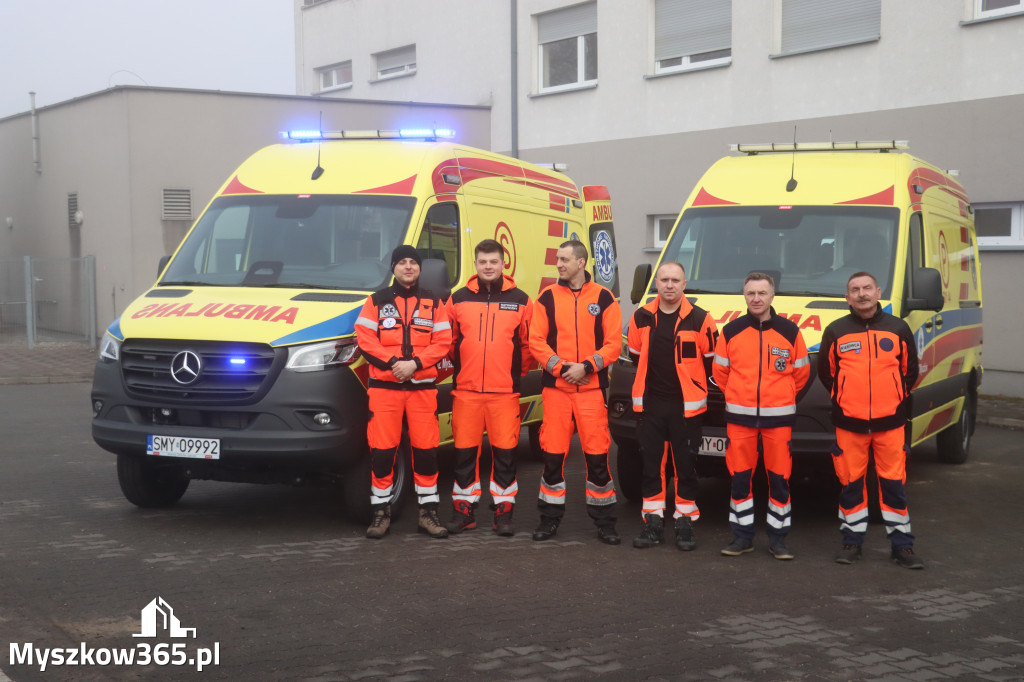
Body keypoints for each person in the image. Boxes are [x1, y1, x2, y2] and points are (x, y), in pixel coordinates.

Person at [818, 271, 923, 569]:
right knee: (851, 485)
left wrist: (890, 399)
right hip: (849, 424)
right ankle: (852, 543)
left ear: (878, 292)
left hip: (890, 424)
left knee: (893, 486)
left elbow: (909, 372)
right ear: (847, 296)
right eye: (855, 289)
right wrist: (846, 397)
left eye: (867, 288)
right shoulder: (835, 331)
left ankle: (902, 547)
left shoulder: (898, 328)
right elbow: (827, 374)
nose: (862, 294)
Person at [354, 244, 452, 540]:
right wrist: (396, 364)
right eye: (402, 262)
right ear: (393, 268)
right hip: (386, 390)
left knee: (426, 452)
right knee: (382, 452)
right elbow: (365, 339)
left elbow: (443, 340)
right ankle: (380, 513)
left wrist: (416, 365)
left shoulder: (434, 302)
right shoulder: (376, 301)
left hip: (422, 389)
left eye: (413, 262)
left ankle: (428, 513)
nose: (408, 267)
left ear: (419, 268)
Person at [529, 239, 623, 545]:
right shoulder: (546, 297)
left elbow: (613, 344)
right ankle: (549, 520)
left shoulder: (605, 298)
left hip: (591, 390)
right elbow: (536, 341)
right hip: (557, 390)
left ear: (581, 263)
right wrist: (561, 367)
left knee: (597, 457)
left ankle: (605, 522)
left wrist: (586, 367)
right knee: (553, 457)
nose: (559, 264)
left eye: (564, 259)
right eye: (558, 258)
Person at [713, 272, 809, 560]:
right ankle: (742, 537)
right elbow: (720, 373)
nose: (756, 298)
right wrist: (737, 396)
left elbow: (801, 373)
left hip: (778, 420)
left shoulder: (790, 331)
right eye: (751, 293)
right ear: (744, 295)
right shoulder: (730, 331)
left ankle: (778, 539)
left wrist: (782, 396)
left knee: (779, 479)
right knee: (740, 479)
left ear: (772, 296)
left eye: (762, 293)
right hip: (739, 419)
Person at [444, 239, 534, 536]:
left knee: (506, 455)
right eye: (483, 262)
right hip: (466, 393)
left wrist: (511, 379)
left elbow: (528, 345)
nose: (488, 267)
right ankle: (463, 512)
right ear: (475, 264)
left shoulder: (521, 300)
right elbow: (448, 343)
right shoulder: (457, 299)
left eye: (493, 261)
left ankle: (503, 513)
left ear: (504, 263)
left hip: (504, 394)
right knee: (464, 456)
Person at [626, 262, 718, 551]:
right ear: (657, 283)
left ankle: (684, 522)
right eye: (664, 279)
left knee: (686, 468)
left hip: (686, 408)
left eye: (674, 280)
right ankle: (652, 522)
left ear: (684, 283)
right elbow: (634, 354)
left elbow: (712, 360)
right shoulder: (640, 316)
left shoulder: (701, 319)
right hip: (650, 405)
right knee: (652, 466)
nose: (669, 285)